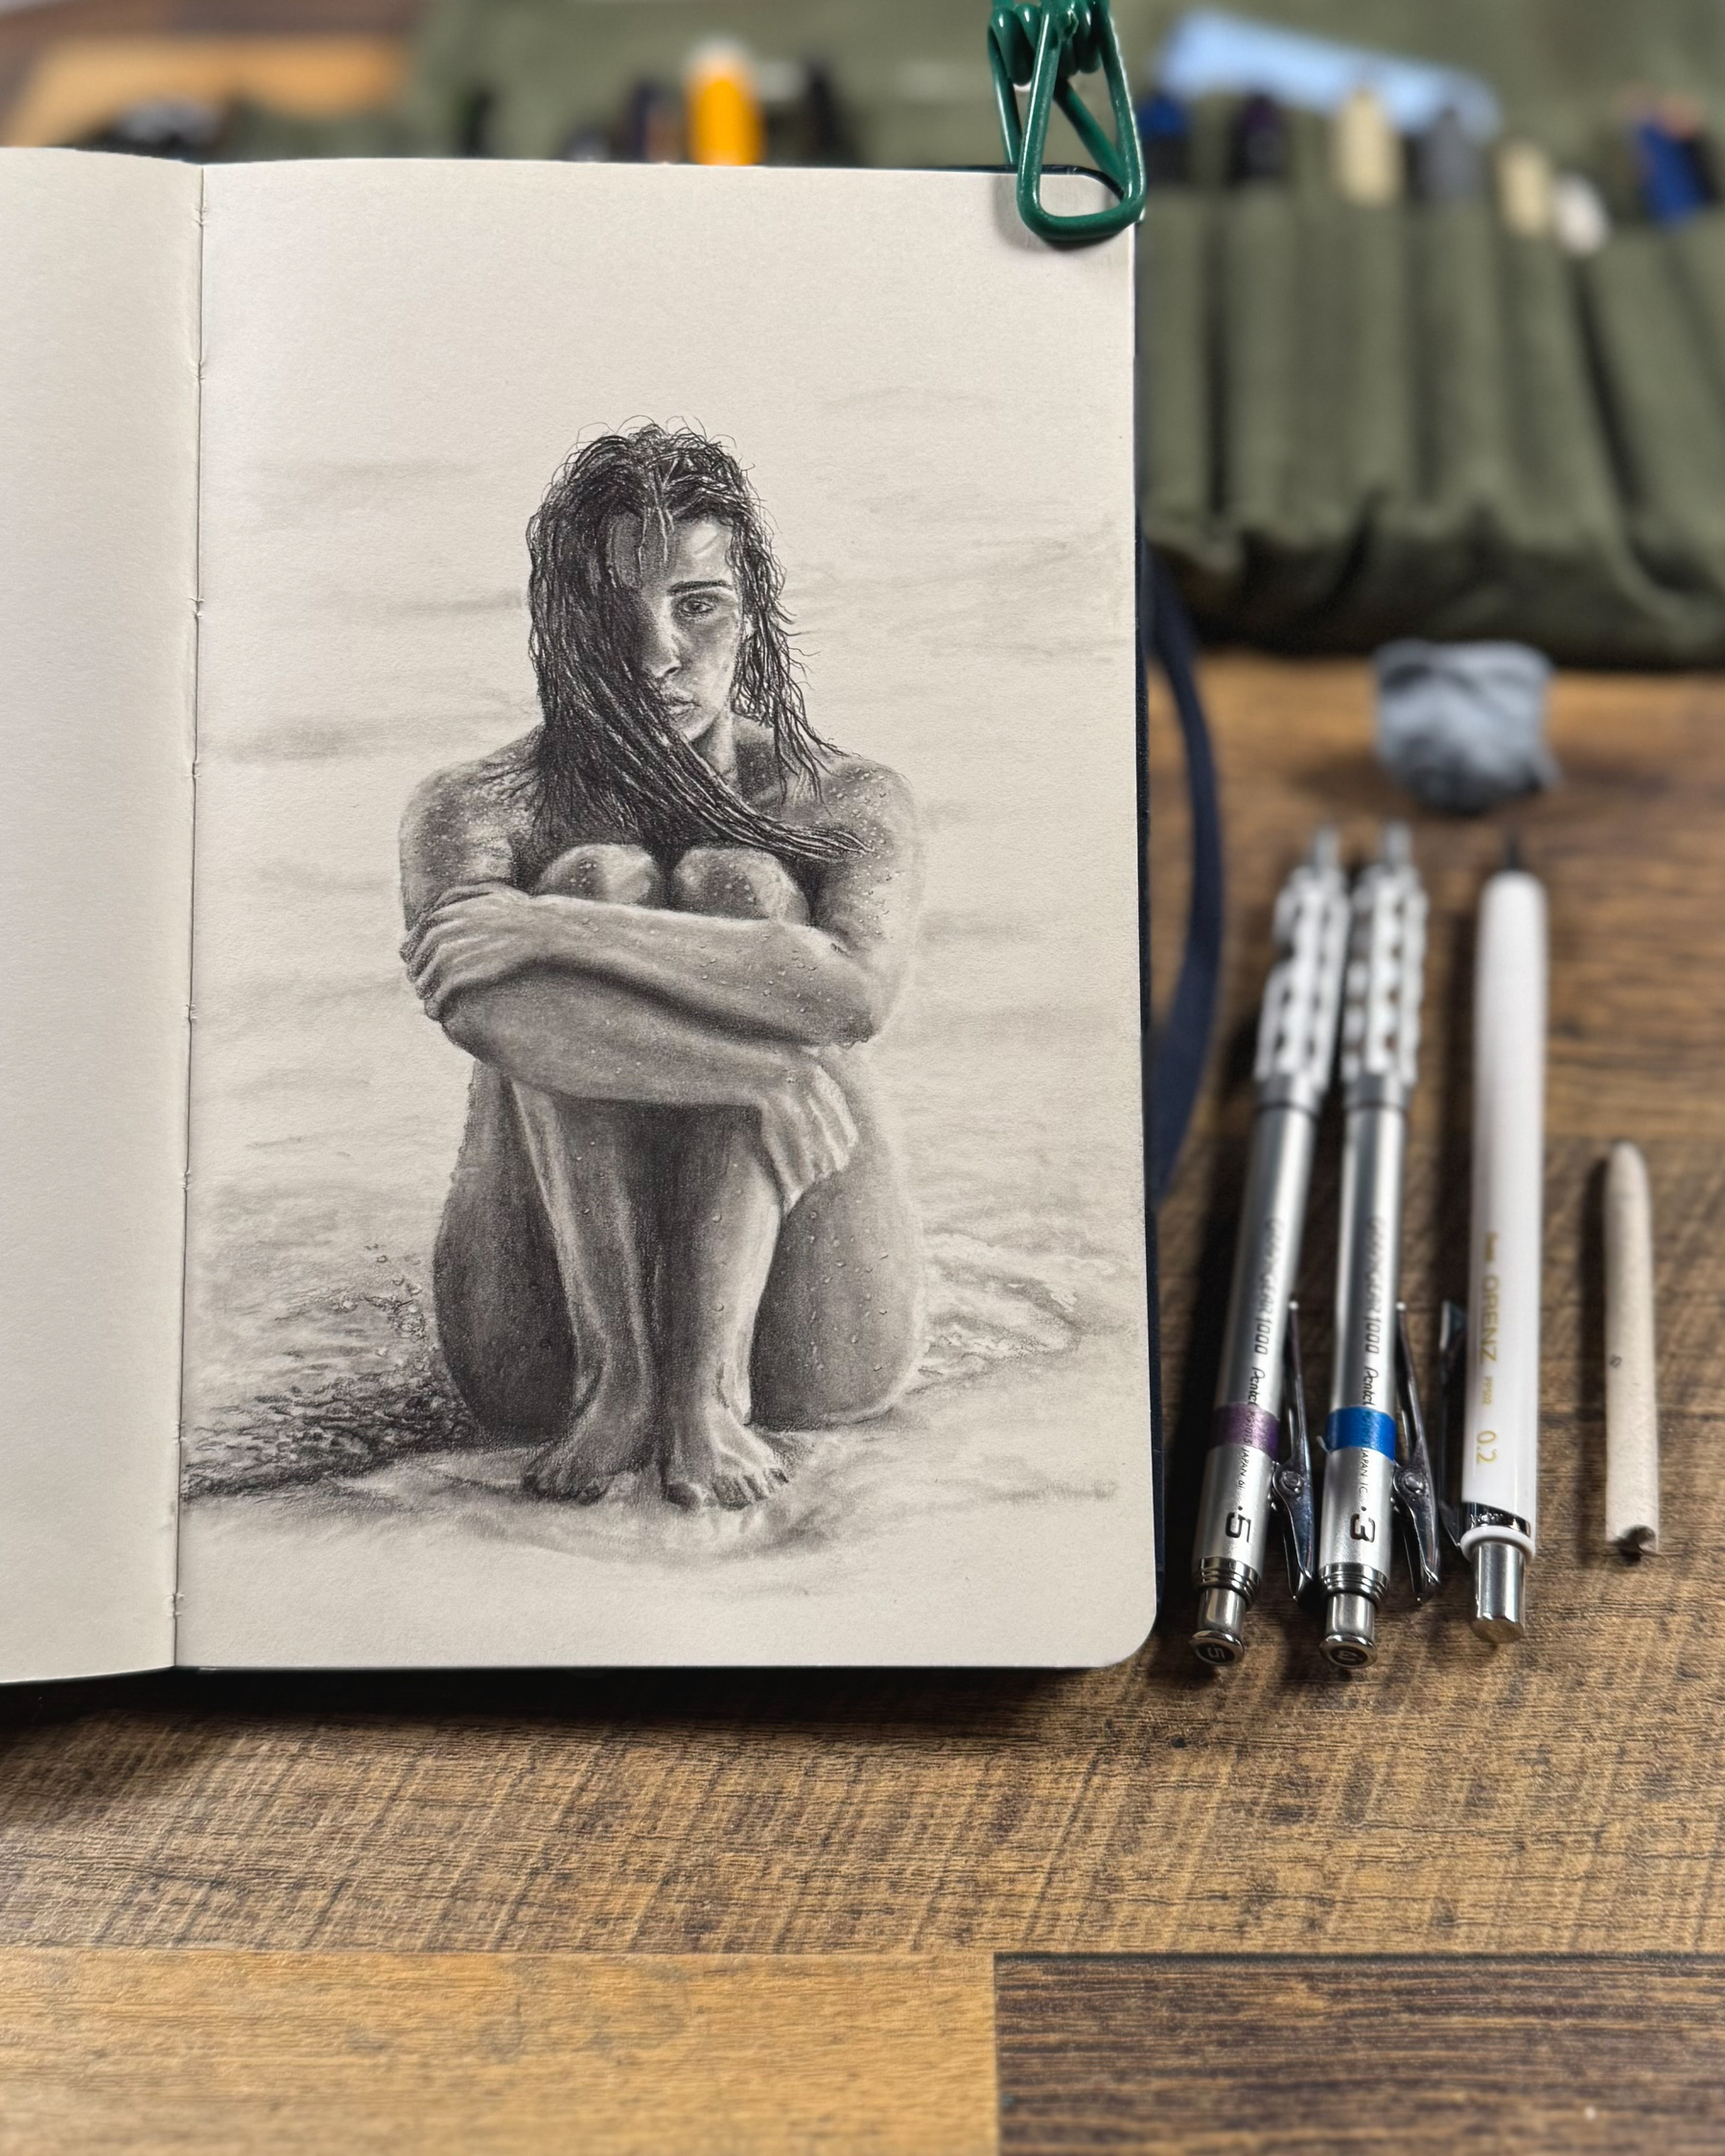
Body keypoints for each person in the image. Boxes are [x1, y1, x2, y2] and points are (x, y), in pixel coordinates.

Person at [400, 425, 924, 1511]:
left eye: (698, 605)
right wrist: (751, 1073)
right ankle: (621, 1374)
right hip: (533, 1342)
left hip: (814, 1326)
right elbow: (492, 1013)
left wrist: (557, 931)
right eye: (613, 611)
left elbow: (848, 992)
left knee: (736, 884)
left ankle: (712, 1386)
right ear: (562, 624)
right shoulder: (474, 803)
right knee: (591, 871)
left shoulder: (845, 797)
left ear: (751, 612)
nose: (656, 656)